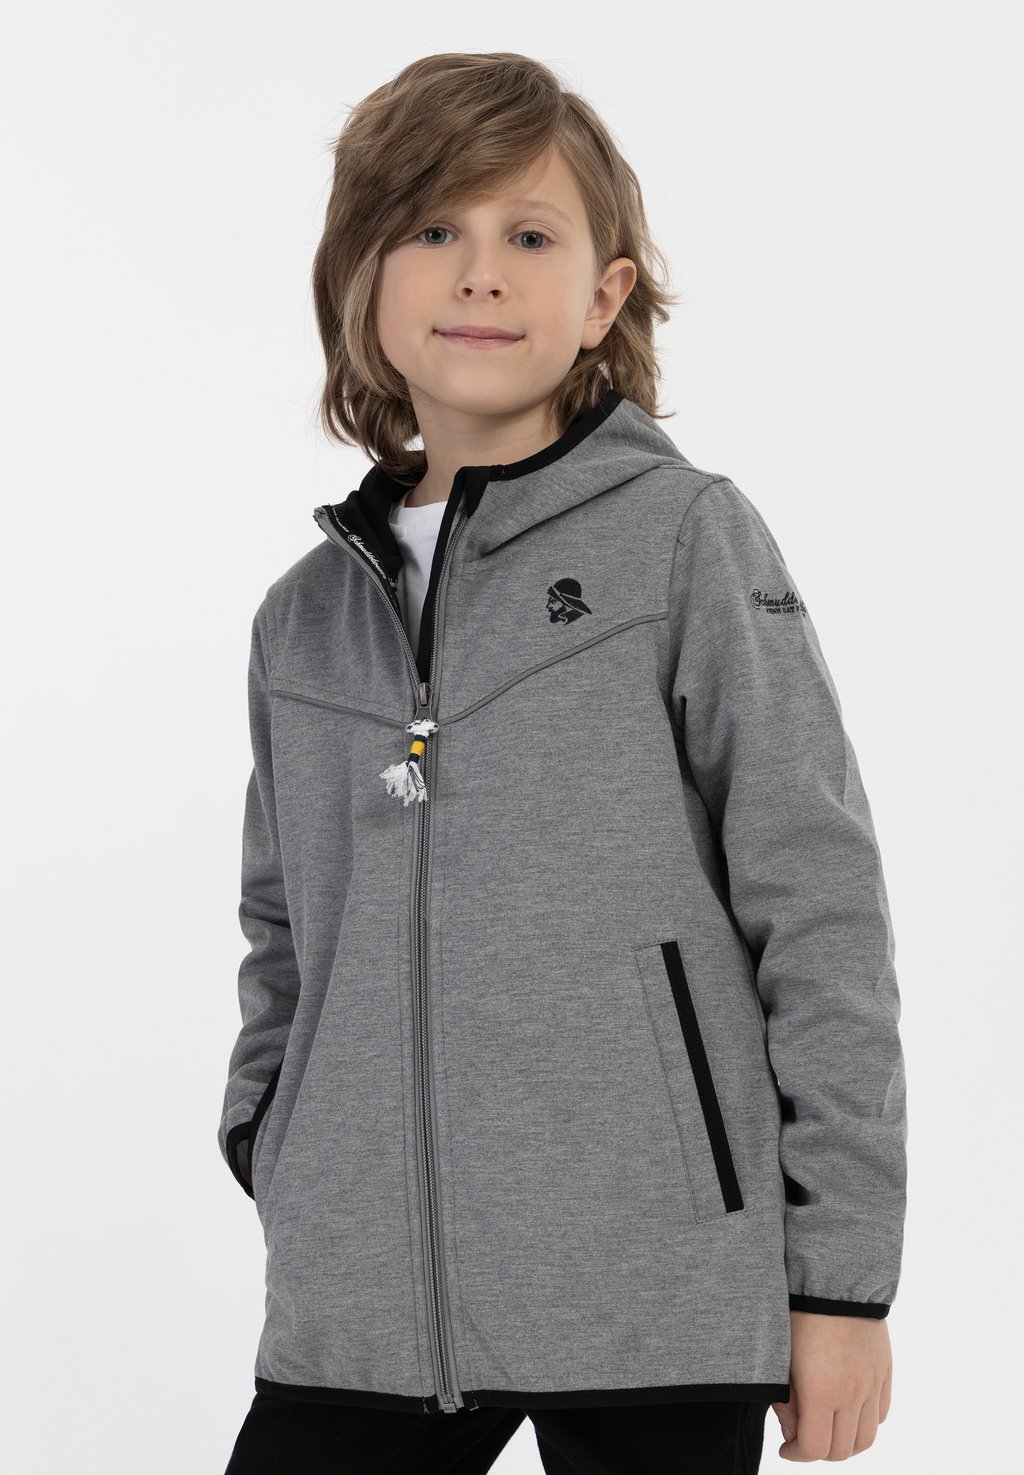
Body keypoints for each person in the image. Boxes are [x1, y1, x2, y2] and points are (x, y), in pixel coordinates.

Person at [218, 50, 908, 1475]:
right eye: (433, 228)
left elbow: (818, 905)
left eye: (529, 236)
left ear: (603, 297)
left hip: (658, 1278)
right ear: (362, 281)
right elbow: (282, 928)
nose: (481, 272)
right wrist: (272, 1133)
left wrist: (841, 1283)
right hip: (364, 1299)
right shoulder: (306, 616)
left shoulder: (684, 542)